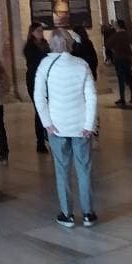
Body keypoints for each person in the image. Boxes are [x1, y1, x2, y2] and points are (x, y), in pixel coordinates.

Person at [34, 29, 98, 228]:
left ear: (52, 44)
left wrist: (47, 123)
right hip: (81, 126)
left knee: (62, 170)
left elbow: (39, 96)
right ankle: (88, 213)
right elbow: (91, 97)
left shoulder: (45, 64)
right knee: (84, 169)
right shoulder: (81, 64)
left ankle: (67, 214)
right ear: (70, 44)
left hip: (58, 126)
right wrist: (89, 124)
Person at [24, 22, 50, 153]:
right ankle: (40, 142)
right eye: (39, 31)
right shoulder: (29, 47)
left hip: (47, 80)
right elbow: (36, 62)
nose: (41, 33)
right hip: (34, 80)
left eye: (42, 30)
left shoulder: (45, 44)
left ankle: (49, 135)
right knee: (39, 110)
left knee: (49, 108)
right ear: (32, 32)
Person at [106, 19, 132, 106]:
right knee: (129, 77)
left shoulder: (116, 35)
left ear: (118, 25)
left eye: (115, 24)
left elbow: (108, 44)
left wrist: (114, 50)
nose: (114, 25)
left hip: (118, 58)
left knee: (121, 79)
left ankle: (122, 99)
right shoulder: (127, 34)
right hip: (127, 58)